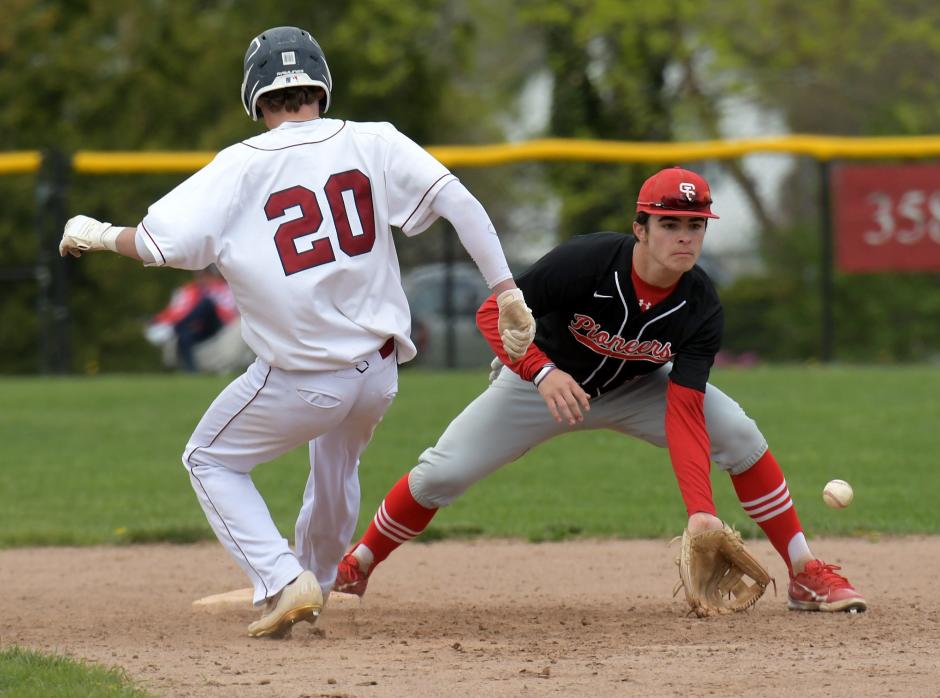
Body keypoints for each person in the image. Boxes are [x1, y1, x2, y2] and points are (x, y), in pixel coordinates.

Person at [58, 25, 535, 638]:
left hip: (306, 379)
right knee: (335, 469)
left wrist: (96, 233)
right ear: (322, 87)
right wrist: (506, 289)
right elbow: (459, 201)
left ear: (256, 96)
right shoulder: (374, 141)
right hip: (381, 373)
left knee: (207, 459)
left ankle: (286, 582)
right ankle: (316, 583)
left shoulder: (238, 166)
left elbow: (156, 245)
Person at [333, 166, 867, 614]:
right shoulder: (585, 262)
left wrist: (700, 510)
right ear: (641, 227)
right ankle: (359, 562)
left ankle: (803, 571)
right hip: (541, 381)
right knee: (441, 472)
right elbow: (494, 313)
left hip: (636, 388)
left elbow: (686, 409)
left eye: (696, 226)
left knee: (741, 438)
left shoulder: (700, 304)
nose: (685, 236)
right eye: (670, 223)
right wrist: (541, 371)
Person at [145, 265, 251, 373]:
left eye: (206, 273)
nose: (202, 276)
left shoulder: (224, 289)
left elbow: (230, 313)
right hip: (196, 328)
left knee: (207, 304)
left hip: (218, 325)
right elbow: (177, 311)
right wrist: (158, 319)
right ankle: (191, 371)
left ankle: (177, 327)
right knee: (184, 335)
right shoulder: (190, 290)